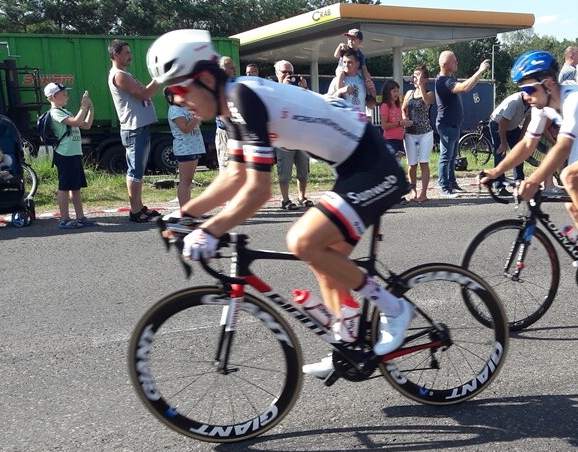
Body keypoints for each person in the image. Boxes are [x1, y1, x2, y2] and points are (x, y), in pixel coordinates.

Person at [146, 29, 414, 378]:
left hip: (373, 166)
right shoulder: (232, 108)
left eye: (180, 90)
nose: (179, 101)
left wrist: (210, 230)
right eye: (171, 95)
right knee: (323, 257)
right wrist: (184, 215)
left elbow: (259, 191)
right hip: (351, 167)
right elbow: (234, 177)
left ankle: (394, 309)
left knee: (303, 241)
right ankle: (348, 343)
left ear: (207, 77)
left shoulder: (244, 96)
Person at [479, 50, 578, 268]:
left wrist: (534, 181)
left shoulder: (574, 99)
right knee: (574, 206)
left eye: (528, 89)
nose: (526, 96)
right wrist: (496, 172)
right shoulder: (542, 107)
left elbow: (564, 146)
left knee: (569, 176)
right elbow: (527, 145)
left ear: (547, 84)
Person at [108, 39, 162, 223]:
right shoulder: (119, 75)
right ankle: (135, 210)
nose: (130, 56)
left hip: (138, 127)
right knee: (135, 171)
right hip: (134, 127)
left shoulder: (124, 74)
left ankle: (139, 206)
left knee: (138, 170)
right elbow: (144, 94)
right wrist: (160, 78)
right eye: (126, 53)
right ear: (115, 55)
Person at [435, 51, 490, 197]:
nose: (457, 62)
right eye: (454, 60)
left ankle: (452, 183)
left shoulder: (450, 77)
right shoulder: (444, 82)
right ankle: (444, 187)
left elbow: (466, 85)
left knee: (452, 157)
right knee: (446, 157)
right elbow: (465, 87)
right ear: (445, 64)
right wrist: (480, 70)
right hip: (447, 125)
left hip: (453, 125)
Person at [45, 82, 95, 228]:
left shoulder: (65, 111)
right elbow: (77, 121)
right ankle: (64, 219)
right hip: (65, 154)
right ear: (54, 97)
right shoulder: (55, 112)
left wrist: (90, 109)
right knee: (64, 187)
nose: (67, 97)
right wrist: (83, 107)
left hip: (74, 153)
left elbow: (85, 125)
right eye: (64, 94)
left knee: (76, 187)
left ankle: (80, 217)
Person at [274, 60, 312, 209]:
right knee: (285, 171)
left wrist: (305, 89)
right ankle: (285, 199)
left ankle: (302, 196)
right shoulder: (274, 90)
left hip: (301, 136)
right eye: (284, 72)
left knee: (303, 170)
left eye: (290, 72)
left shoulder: (299, 90)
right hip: (284, 137)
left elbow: (310, 105)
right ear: (277, 73)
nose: (288, 75)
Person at [164, 87, 204, 208]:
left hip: (193, 147)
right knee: (185, 182)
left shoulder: (184, 108)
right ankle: (185, 211)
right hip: (185, 149)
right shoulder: (175, 110)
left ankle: (188, 209)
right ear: (171, 97)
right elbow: (185, 128)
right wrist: (198, 116)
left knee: (188, 181)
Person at [402, 64, 435, 203]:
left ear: (425, 79)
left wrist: (421, 84)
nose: (416, 78)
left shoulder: (429, 93)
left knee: (424, 162)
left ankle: (424, 193)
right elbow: (403, 108)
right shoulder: (409, 93)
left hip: (425, 133)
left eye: (419, 76)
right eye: (415, 76)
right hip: (410, 133)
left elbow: (427, 102)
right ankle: (413, 191)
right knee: (412, 164)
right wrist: (405, 120)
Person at [488, 91, 529, 193]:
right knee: (500, 153)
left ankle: (519, 183)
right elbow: (502, 123)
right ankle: (499, 186)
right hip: (498, 124)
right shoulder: (514, 102)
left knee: (519, 153)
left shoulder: (533, 102)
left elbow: (528, 121)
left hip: (513, 126)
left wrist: (521, 140)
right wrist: (503, 142)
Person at [333, 29, 377, 105]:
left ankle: (368, 94)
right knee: (341, 74)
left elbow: (363, 67)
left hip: (357, 72)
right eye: (349, 39)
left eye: (353, 39)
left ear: (359, 42)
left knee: (366, 75)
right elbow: (336, 55)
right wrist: (340, 46)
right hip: (341, 68)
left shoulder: (360, 54)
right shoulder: (345, 49)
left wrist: (367, 77)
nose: (350, 41)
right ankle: (340, 94)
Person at [215, 57, 238, 172]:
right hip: (226, 132)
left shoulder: (235, 84)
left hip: (238, 131)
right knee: (227, 167)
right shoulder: (219, 87)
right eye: (232, 68)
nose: (235, 70)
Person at [379, 79, 409, 164]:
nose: (397, 93)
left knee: (397, 163)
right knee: (391, 164)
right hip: (390, 139)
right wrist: (400, 123)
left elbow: (399, 122)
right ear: (387, 92)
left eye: (398, 91)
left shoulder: (397, 106)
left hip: (399, 138)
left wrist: (405, 122)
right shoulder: (385, 106)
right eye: (394, 91)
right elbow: (384, 126)